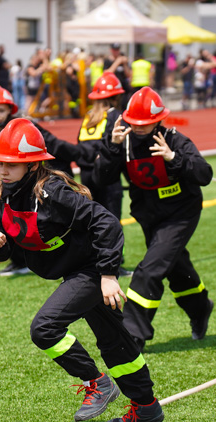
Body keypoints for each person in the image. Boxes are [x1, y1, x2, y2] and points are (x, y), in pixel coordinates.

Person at [0, 118, 164, 422]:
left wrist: (108, 275)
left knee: (44, 328)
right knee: (114, 341)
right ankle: (146, 407)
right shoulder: (4, 192)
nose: (2, 169)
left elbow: (106, 223)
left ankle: (97, 382)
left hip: (91, 271)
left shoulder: (52, 191)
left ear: (33, 164)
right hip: (73, 273)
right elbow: (0, 236)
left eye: (11, 163)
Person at [96, 87, 214, 349]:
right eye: (134, 123)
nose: (138, 128)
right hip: (149, 215)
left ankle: (131, 334)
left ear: (159, 120)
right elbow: (101, 179)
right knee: (175, 267)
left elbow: (205, 174)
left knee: (149, 269)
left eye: (145, 124)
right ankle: (200, 309)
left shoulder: (175, 140)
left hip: (181, 214)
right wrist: (112, 148)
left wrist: (174, 158)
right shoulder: (121, 141)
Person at [0, 85, 79, 276]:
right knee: (9, 221)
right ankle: (19, 261)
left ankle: (50, 258)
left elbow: (53, 144)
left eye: (1, 110)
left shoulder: (24, 129)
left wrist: (84, 155)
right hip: (14, 184)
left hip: (38, 181)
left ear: (10, 110)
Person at [76, 72, 130, 277]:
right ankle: (114, 264)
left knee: (91, 222)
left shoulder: (88, 117)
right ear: (116, 97)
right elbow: (120, 148)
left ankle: (94, 263)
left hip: (86, 178)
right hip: (108, 177)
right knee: (112, 222)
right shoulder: (116, 116)